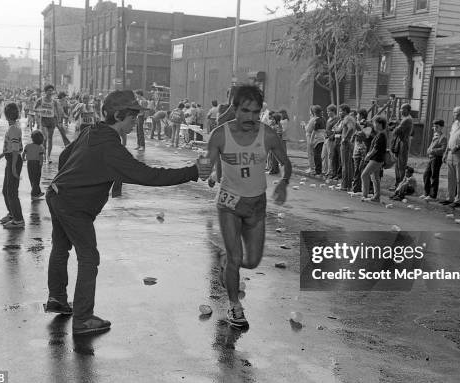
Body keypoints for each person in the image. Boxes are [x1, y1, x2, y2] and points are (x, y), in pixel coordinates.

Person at [44, 90, 212, 335]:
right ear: (118, 115)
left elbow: (66, 156)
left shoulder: (92, 131)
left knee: (60, 248)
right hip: (73, 206)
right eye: (132, 116)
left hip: (57, 194)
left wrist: (71, 179)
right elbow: (149, 176)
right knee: (89, 257)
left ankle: (57, 298)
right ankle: (83, 318)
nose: (135, 120)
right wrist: (193, 171)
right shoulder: (111, 149)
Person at [206, 84, 292, 329]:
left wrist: (284, 183)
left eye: (256, 112)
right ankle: (235, 307)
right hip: (229, 204)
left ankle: (226, 262)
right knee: (236, 258)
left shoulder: (268, 135)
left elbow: (286, 163)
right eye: (245, 111)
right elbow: (206, 161)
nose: (251, 118)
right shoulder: (220, 135)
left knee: (252, 261)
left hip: (256, 205)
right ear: (234, 109)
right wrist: (203, 168)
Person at [0, 103, 24, 229]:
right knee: (6, 191)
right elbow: (10, 148)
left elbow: (15, 150)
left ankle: (18, 220)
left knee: (11, 192)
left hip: (13, 161)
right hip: (10, 159)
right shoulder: (13, 127)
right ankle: (12, 214)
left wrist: (14, 167)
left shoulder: (13, 129)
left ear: (6, 115)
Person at [34, 84, 69, 163]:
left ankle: (48, 157)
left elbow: (58, 111)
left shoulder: (54, 101)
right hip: (43, 120)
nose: (50, 92)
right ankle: (43, 156)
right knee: (45, 138)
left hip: (52, 121)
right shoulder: (40, 100)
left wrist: (60, 121)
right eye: (49, 91)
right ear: (45, 91)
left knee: (50, 139)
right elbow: (34, 109)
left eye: (51, 91)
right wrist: (41, 111)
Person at [361, 116, 388, 202]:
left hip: (376, 159)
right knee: (375, 178)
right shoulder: (380, 134)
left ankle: (364, 195)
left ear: (380, 124)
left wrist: (368, 156)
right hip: (378, 159)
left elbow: (375, 149)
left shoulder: (381, 135)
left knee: (364, 175)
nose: (374, 125)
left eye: (375, 123)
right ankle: (376, 196)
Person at [421, 119, 446, 200]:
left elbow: (443, 149)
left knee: (434, 176)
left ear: (441, 127)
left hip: (437, 158)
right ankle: (426, 193)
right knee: (426, 174)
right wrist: (429, 149)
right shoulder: (435, 135)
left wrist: (432, 150)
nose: (435, 128)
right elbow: (432, 145)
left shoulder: (443, 137)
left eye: (437, 127)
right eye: (434, 126)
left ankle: (433, 195)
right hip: (431, 158)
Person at [390, 104, 413, 189]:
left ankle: (400, 186)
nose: (400, 111)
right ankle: (397, 184)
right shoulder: (404, 119)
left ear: (407, 110)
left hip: (404, 143)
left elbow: (396, 131)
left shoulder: (407, 119)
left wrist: (394, 126)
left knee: (401, 165)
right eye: (400, 109)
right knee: (397, 165)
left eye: (402, 109)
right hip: (400, 143)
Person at [338, 105, 357, 189]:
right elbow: (358, 128)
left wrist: (345, 138)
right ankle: (348, 185)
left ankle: (345, 185)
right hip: (351, 143)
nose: (339, 113)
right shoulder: (352, 118)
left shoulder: (347, 118)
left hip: (346, 144)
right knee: (348, 164)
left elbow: (351, 128)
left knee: (345, 164)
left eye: (341, 111)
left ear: (345, 111)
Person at [23, 130, 45, 199]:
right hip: (37, 164)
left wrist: (23, 158)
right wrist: (41, 164)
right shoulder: (40, 147)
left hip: (29, 163)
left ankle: (38, 192)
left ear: (32, 138)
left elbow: (23, 154)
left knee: (32, 178)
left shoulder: (27, 146)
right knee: (36, 179)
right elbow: (41, 157)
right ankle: (34, 194)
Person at [322, 105, 339, 177]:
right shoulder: (329, 119)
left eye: (329, 111)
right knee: (323, 155)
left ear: (333, 111)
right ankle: (325, 170)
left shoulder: (336, 119)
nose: (327, 113)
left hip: (331, 139)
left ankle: (330, 171)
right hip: (326, 138)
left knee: (330, 155)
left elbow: (336, 129)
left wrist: (332, 136)